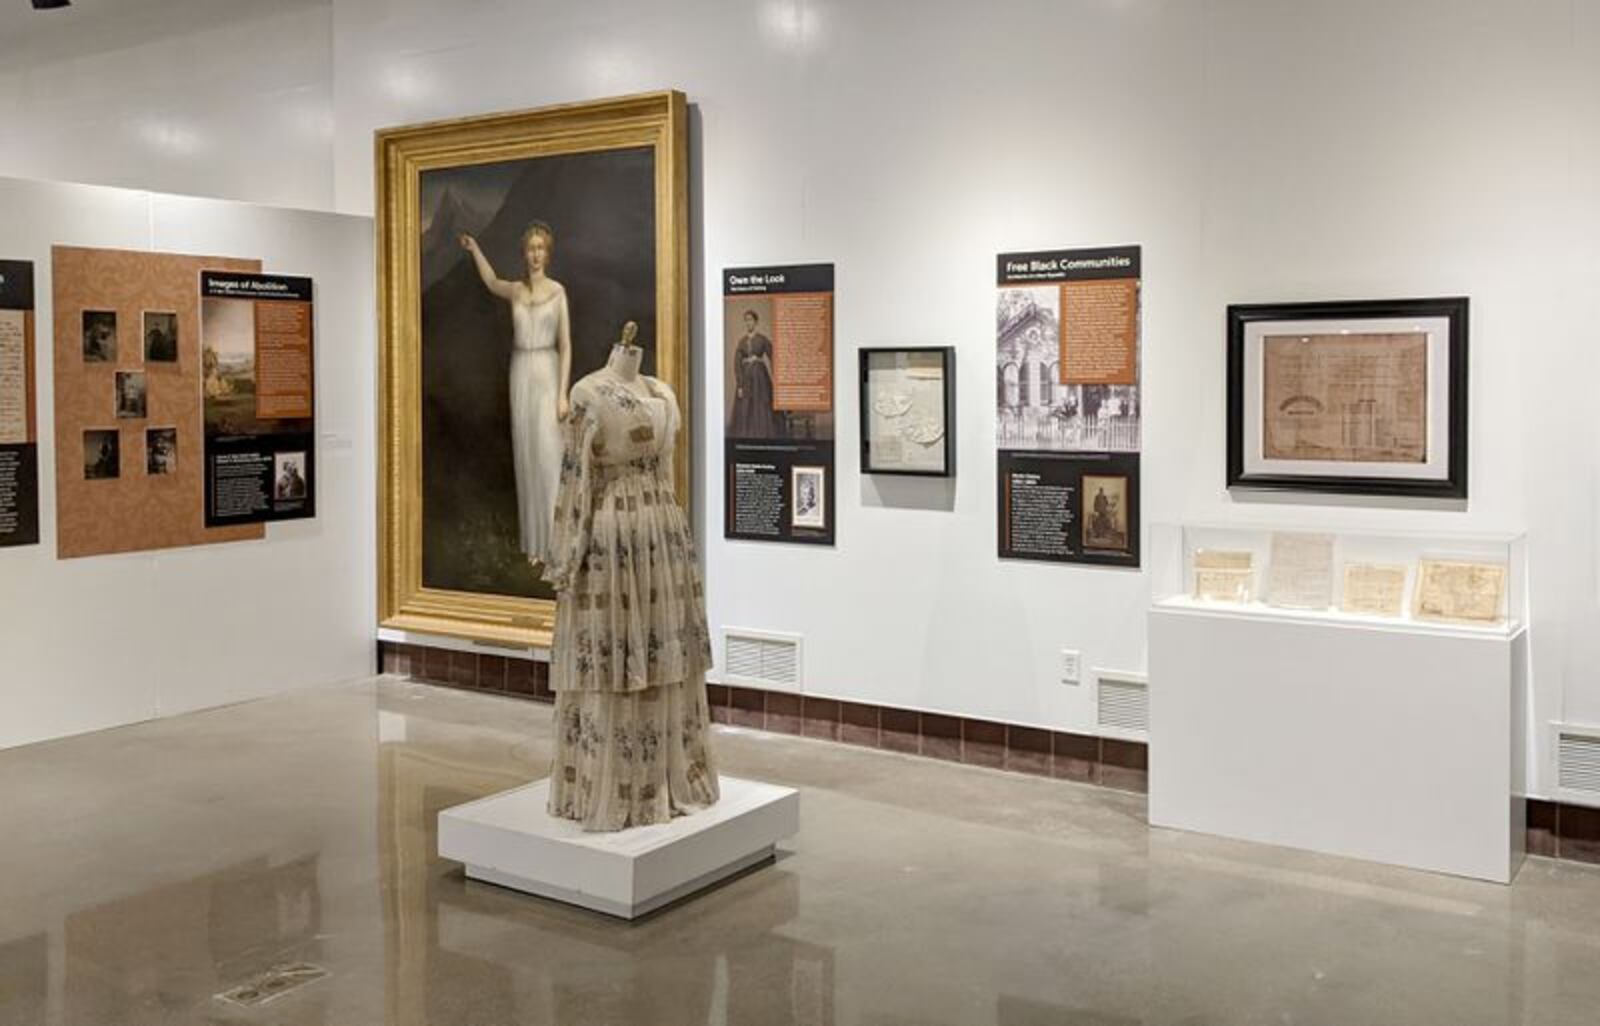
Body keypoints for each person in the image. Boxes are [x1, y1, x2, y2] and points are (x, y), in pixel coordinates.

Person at [460, 223, 572, 566]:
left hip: (548, 372)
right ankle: (537, 546)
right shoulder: (516, 290)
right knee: (527, 457)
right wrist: (475, 248)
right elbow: (491, 281)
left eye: (541, 248)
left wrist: (562, 394)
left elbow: (566, 345)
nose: (535, 254)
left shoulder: (557, 291)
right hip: (520, 371)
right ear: (524, 253)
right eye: (530, 248)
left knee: (549, 457)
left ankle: (558, 545)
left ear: (547, 253)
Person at [729, 310, 780, 438]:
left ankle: (762, 433)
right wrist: (740, 385)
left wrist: (779, 376)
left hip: (760, 378)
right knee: (746, 405)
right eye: (746, 320)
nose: (748, 323)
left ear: (756, 322)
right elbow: (737, 364)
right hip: (746, 378)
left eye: (751, 320)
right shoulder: (741, 342)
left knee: (761, 403)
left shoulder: (762, 339)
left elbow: (774, 356)